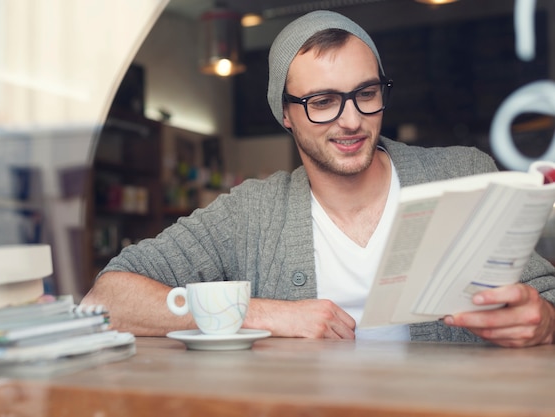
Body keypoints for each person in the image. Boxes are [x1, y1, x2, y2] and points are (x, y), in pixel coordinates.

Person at [82, 10, 555, 347]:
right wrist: (264, 315)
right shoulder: (251, 213)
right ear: (285, 114)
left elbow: (544, 296)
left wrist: (544, 320)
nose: (351, 121)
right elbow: (110, 297)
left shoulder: (462, 173)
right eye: (323, 101)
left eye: (366, 93)